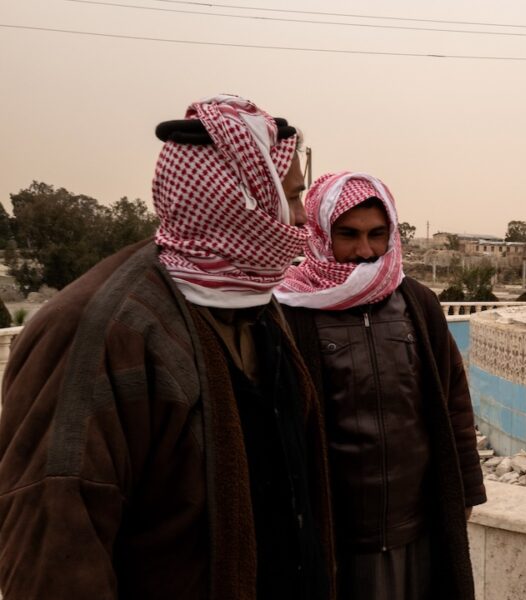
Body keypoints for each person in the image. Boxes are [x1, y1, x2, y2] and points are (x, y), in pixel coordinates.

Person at [0, 95, 333, 599]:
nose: (303, 219)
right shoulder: (95, 329)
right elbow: (55, 547)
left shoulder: (256, 305)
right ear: (241, 200)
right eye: (288, 196)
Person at [275, 172, 485, 600]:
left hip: (415, 525)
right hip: (335, 530)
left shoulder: (416, 303)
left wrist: (464, 489)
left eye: (376, 235)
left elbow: (453, 405)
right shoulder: (290, 311)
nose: (364, 251)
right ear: (319, 234)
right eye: (348, 235)